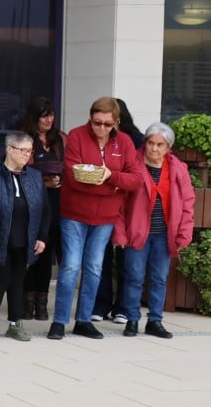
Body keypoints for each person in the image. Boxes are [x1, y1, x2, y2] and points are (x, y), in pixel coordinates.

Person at [49, 97, 142, 340]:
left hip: (106, 217)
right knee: (70, 266)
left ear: (116, 122)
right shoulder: (77, 135)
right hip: (74, 214)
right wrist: (113, 186)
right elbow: (74, 176)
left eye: (107, 124)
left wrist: (110, 177)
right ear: (90, 118)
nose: (100, 128)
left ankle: (83, 320)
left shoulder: (125, 142)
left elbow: (135, 180)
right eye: (96, 122)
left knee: (94, 268)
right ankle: (59, 321)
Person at [117, 122, 195, 339]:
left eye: (160, 144)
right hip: (137, 231)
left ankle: (155, 321)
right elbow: (120, 202)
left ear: (168, 147)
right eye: (150, 143)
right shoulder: (132, 163)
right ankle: (132, 319)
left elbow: (188, 202)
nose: (154, 148)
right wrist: (120, 233)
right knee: (134, 277)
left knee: (160, 278)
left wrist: (184, 232)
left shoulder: (178, 168)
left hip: (164, 233)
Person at [0, 131, 50, 342]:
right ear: (9, 149)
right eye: (22, 150)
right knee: (0, 279)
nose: (27, 155)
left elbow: (45, 209)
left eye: (29, 151)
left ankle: (15, 324)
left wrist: (42, 237)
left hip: (25, 239)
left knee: (18, 281)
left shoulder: (34, 176)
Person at [93, 98, 149, 323]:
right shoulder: (97, 139)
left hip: (128, 204)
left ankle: (108, 305)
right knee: (106, 258)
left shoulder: (132, 141)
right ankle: (119, 308)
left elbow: (136, 176)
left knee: (116, 258)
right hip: (108, 204)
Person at [19, 98, 64, 321]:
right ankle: (26, 303)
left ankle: (42, 303)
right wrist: (43, 183)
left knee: (47, 255)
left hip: (54, 203)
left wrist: (58, 181)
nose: (48, 119)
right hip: (30, 202)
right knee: (30, 254)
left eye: (51, 114)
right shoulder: (25, 139)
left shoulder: (59, 139)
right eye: (44, 115)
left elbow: (68, 166)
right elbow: (16, 171)